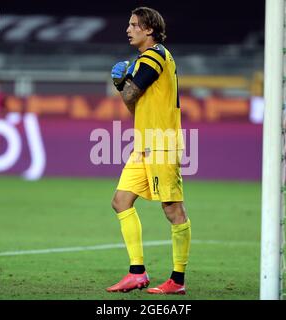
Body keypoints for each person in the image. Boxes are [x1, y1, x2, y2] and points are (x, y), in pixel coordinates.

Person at [107, 7, 191, 295]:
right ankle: (137, 273)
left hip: (162, 144)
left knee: (172, 209)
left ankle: (177, 281)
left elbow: (130, 94)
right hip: (145, 145)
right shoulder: (149, 59)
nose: (128, 30)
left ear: (149, 30)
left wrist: (121, 83)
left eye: (133, 25)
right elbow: (134, 105)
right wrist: (124, 85)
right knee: (121, 201)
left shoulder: (154, 56)